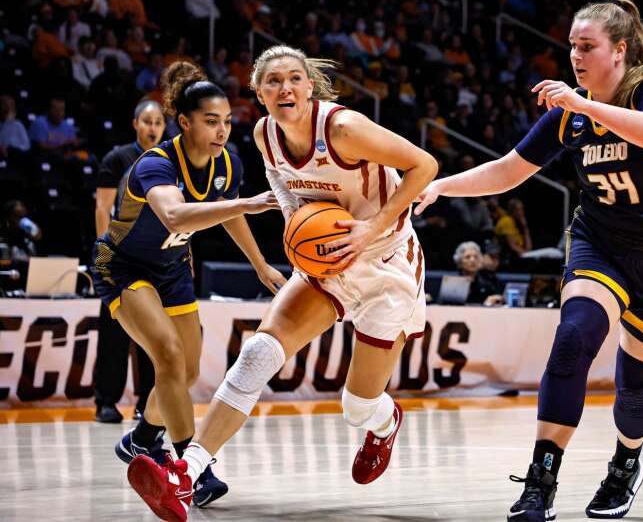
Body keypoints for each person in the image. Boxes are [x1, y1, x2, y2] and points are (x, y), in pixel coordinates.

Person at [417, 0, 643, 520]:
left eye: (587, 46)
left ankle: (625, 464)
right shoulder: (568, 116)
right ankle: (540, 483)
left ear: (619, 51)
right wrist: (441, 187)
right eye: (571, 46)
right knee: (573, 337)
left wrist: (584, 104)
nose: (575, 56)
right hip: (601, 244)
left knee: (635, 384)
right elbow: (508, 170)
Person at [126, 44, 437, 522]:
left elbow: (424, 165)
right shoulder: (265, 134)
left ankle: (384, 421)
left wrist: (373, 228)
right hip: (325, 265)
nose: (285, 87)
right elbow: (286, 193)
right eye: (273, 81)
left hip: (385, 263)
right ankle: (184, 475)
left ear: (310, 86)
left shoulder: (344, 128)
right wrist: (299, 248)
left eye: (294, 78)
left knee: (357, 405)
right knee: (257, 355)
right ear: (258, 92)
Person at [89, 61, 285, 509]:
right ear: (185, 122)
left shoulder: (226, 163)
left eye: (227, 122)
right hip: (124, 266)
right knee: (169, 358)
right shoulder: (155, 165)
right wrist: (250, 202)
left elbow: (230, 212)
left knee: (187, 373)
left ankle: (141, 438)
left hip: (174, 267)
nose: (221, 131)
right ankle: (192, 467)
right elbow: (175, 216)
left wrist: (259, 265)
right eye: (211, 121)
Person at [92, 100, 165, 423]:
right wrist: (106, 256)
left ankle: (144, 404)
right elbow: (101, 209)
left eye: (158, 122)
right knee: (114, 335)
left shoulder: (167, 161)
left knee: (155, 335)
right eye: (147, 121)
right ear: (135, 123)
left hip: (156, 259)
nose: (153, 128)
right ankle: (106, 401)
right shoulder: (117, 158)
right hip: (120, 260)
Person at [453, 240, 503, 306]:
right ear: (459, 262)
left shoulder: (489, 282)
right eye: (467, 257)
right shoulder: (452, 282)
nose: (472, 260)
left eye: (476, 257)